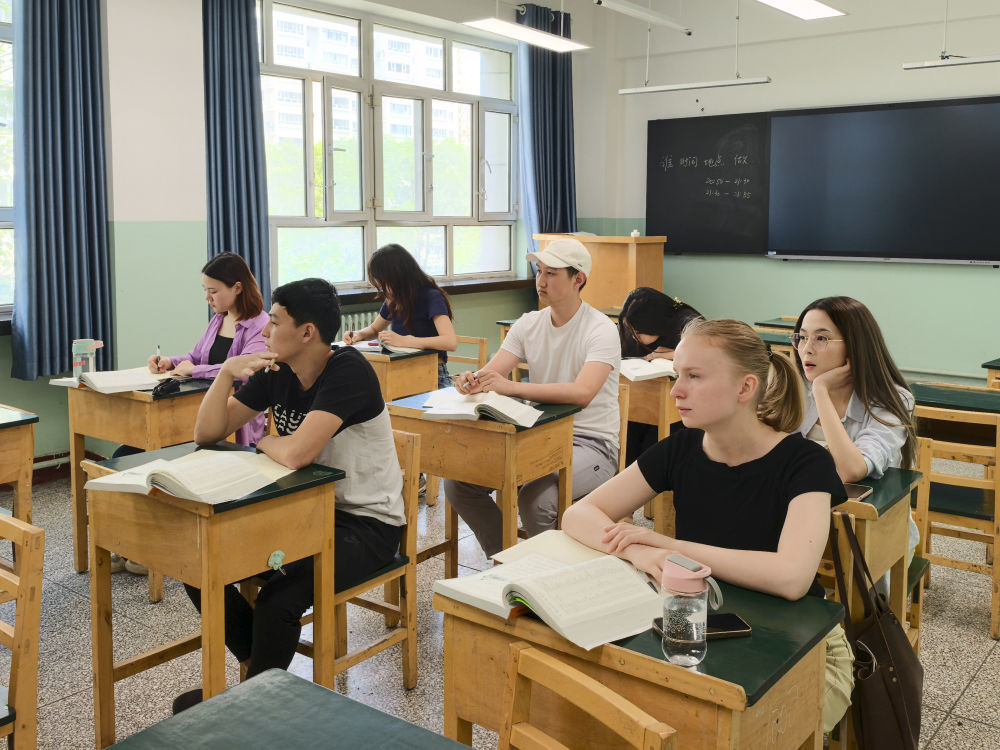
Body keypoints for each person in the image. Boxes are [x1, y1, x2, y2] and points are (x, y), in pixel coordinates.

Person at [561, 318, 853, 732]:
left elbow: (791, 577)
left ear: (745, 388)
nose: (677, 389)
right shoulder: (682, 447)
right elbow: (578, 515)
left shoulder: (805, 462)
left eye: (694, 376)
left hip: (803, 647)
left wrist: (666, 543)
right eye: (678, 374)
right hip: (699, 623)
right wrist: (643, 552)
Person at [172, 277, 404, 714]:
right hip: (303, 513)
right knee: (199, 562)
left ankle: (257, 711)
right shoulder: (277, 370)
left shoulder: (348, 369)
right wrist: (225, 372)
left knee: (279, 597)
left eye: (274, 322)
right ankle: (255, 677)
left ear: (307, 332)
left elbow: (296, 454)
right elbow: (206, 433)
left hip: (367, 524)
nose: (263, 330)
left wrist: (262, 442)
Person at [446, 238, 621, 557]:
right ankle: (508, 561)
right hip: (538, 435)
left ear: (577, 279)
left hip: (592, 443)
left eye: (552, 273)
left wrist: (510, 387)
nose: (541, 280)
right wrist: (472, 382)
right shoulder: (529, 323)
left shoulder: (601, 329)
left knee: (535, 500)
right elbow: (491, 375)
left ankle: (546, 579)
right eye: (539, 271)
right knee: (458, 484)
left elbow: (582, 394)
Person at [792, 295, 920, 567]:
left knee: (855, 599)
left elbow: (850, 470)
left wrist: (822, 392)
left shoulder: (892, 401)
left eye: (821, 339)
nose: (807, 349)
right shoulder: (795, 387)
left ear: (854, 345)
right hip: (797, 511)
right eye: (801, 337)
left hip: (868, 527)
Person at [147, 252, 269, 447]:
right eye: (205, 290)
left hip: (237, 422)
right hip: (203, 409)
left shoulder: (261, 325)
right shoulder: (219, 319)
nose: (207, 298)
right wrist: (170, 362)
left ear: (237, 288)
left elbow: (244, 373)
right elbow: (195, 357)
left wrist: (194, 371)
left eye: (213, 291)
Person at [344, 243, 457, 388]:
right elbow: (374, 329)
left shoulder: (431, 297)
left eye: (384, 283)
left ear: (399, 277)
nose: (383, 289)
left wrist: (406, 341)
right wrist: (359, 334)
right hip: (401, 372)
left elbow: (450, 342)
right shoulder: (394, 299)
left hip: (433, 374)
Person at [618, 288, 702, 465]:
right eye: (631, 330)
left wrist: (667, 355)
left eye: (639, 332)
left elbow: (707, 359)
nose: (634, 337)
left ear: (655, 323)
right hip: (640, 404)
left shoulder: (691, 325)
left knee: (652, 446)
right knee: (626, 438)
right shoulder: (630, 329)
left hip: (681, 409)